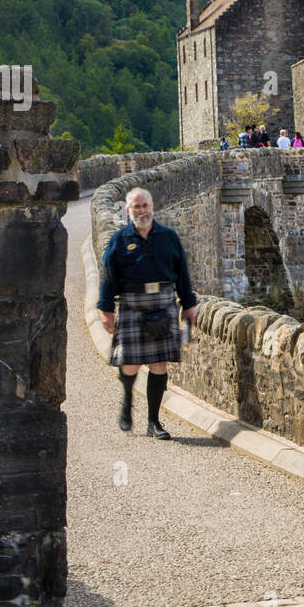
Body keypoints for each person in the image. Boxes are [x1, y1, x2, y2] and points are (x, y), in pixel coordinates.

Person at [97, 187, 197, 439]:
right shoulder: (119, 240)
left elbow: (182, 271)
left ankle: (154, 422)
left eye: (145, 206)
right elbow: (107, 276)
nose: (142, 211)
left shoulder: (168, 237)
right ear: (128, 210)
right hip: (132, 303)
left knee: (158, 363)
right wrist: (106, 309)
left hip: (163, 302)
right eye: (136, 207)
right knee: (129, 364)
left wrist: (189, 303)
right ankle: (127, 401)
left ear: (152, 207)